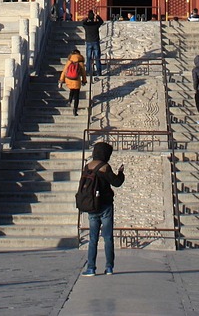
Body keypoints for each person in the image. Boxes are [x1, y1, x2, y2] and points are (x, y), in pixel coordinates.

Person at [80, 141, 126, 277]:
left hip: (92, 206)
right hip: (105, 206)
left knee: (92, 238)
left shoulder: (87, 166)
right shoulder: (105, 167)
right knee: (107, 238)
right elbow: (116, 183)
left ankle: (91, 268)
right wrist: (121, 173)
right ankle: (109, 267)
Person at [59, 48, 87, 116]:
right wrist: (84, 80)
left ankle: (69, 100)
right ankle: (75, 110)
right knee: (77, 96)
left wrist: (61, 81)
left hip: (69, 79)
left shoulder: (69, 60)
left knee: (72, 90)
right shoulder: (80, 62)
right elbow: (83, 73)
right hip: (76, 79)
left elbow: (64, 71)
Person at [82, 10, 104, 76]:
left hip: (88, 42)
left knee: (88, 58)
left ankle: (88, 72)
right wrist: (97, 16)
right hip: (95, 42)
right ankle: (98, 72)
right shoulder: (96, 24)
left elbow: (83, 23)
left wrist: (86, 18)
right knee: (97, 58)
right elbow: (101, 21)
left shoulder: (86, 25)